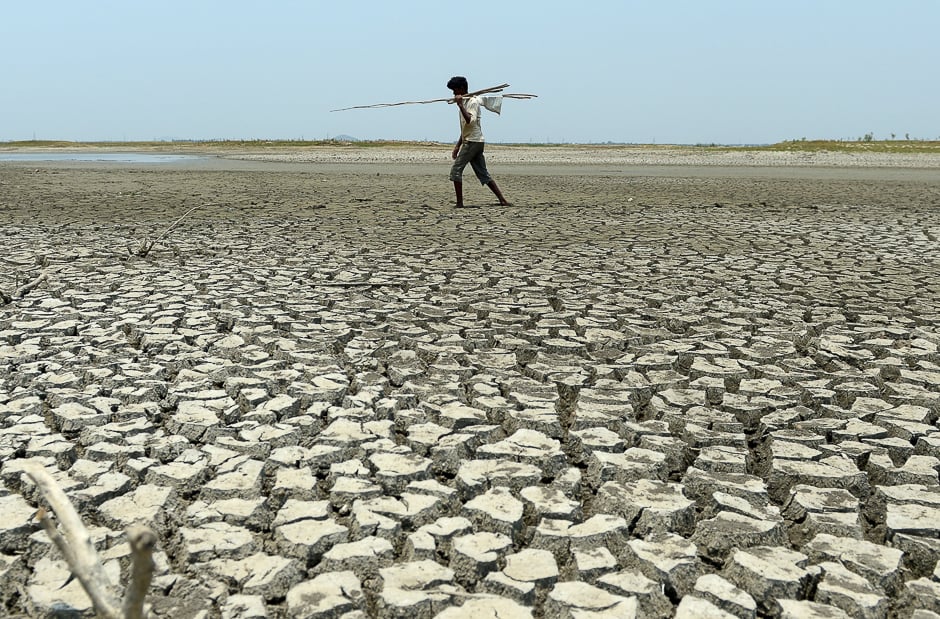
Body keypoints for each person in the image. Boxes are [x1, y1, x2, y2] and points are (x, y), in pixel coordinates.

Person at [446, 76, 510, 208]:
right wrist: (457, 146)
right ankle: (502, 200)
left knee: (456, 171)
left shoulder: (472, 102)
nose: (453, 93)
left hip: (473, 142)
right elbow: (465, 128)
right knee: (483, 173)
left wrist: (459, 105)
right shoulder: (465, 102)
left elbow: (470, 120)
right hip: (473, 141)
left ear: (462, 89)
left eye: (455, 90)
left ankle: (459, 203)